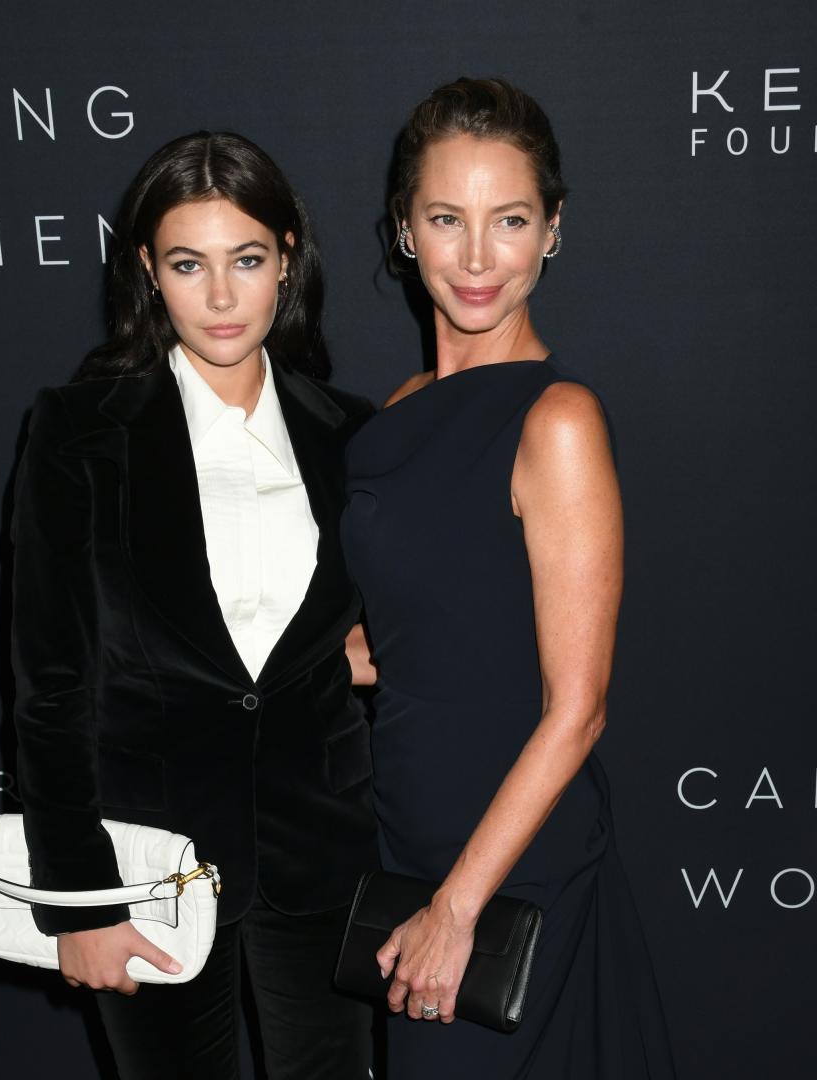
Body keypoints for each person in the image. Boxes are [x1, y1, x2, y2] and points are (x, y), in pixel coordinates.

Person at [11, 131, 378, 1080]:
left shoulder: (356, 436)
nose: (220, 297)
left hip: (322, 854)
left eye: (247, 260)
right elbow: (53, 685)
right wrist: (81, 900)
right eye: (188, 263)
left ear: (287, 258)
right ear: (148, 269)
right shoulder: (80, 433)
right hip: (147, 867)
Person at [341, 78, 676, 1077]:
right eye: (448, 219)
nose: (478, 258)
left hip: (507, 875)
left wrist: (458, 905)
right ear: (407, 229)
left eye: (511, 220)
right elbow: (420, 623)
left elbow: (578, 710)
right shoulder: (395, 412)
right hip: (405, 843)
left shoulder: (556, 421)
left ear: (552, 230)